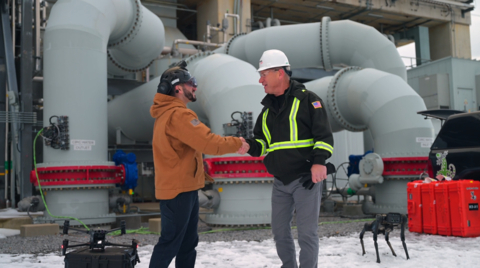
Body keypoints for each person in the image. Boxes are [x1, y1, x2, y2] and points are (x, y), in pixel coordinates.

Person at [149, 60, 249, 268]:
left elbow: (185, 152)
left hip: (183, 189)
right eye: (191, 83)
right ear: (178, 88)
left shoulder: (166, 114)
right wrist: (237, 142)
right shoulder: (180, 115)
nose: (195, 87)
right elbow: (208, 143)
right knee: (171, 244)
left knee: (187, 244)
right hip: (179, 192)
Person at [242, 49, 334, 268]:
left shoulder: (309, 100)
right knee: (279, 232)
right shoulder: (267, 111)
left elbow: (323, 135)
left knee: (306, 234)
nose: (260, 79)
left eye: (264, 74)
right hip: (280, 182)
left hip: (305, 181)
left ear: (280, 73)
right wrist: (247, 146)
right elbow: (262, 144)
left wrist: (319, 162)